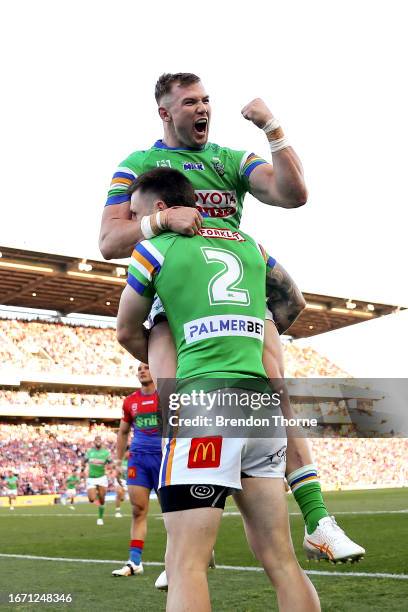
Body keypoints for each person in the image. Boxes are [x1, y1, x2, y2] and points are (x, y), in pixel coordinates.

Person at [100, 72, 364, 564]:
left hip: (234, 297)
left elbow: (292, 193)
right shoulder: (137, 165)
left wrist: (273, 129)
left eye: (206, 100)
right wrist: (160, 221)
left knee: (275, 388)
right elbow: (109, 241)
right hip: (171, 296)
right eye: (189, 102)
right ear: (165, 112)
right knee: (174, 398)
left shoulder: (229, 159)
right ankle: (187, 543)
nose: (202, 109)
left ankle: (318, 519)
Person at [116, 168, 321, 611]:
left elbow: (126, 330)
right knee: (282, 561)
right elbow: (290, 302)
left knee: (186, 561)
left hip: (204, 405)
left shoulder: (152, 249)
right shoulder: (249, 245)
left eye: (136, 214)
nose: (133, 224)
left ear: (159, 209)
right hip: (259, 406)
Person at [112, 363, 162, 577]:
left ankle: (196, 551)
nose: (142, 370)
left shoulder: (167, 397)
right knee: (138, 510)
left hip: (164, 459)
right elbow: (123, 433)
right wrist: (117, 460)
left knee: (174, 514)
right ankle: (135, 562)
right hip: (138, 460)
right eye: (139, 368)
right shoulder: (130, 402)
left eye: (147, 367)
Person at [83, 436, 112, 526]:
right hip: (91, 478)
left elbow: (111, 463)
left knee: (102, 500)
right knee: (91, 499)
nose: (98, 442)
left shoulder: (106, 452)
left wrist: (109, 470)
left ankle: (100, 518)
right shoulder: (89, 452)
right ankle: (96, 496)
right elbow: (84, 461)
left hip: (102, 478)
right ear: (94, 442)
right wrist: (85, 468)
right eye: (97, 440)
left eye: (100, 440)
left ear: (101, 442)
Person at [114, 449, 129, 518]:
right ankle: (117, 511)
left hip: (128, 481)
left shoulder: (132, 461)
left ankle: (123, 495)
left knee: (122, 498)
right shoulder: (120, 462)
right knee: (119, 493)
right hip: (120, 479)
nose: (129, 453)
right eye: (127, 452)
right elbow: (117, 472)